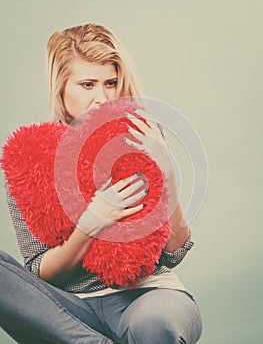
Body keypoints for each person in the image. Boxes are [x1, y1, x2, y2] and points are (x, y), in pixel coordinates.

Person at [0, 23, 202, 343]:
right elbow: (39, 270)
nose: (102, 97)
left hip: (146, 297)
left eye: (110, 83)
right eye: (87, 84)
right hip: (67, 310)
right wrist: (91, 223)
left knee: (153, 328)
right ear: (61, 87)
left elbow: (173, 252)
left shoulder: (140, 135)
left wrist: (169, 174)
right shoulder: (30, 156)